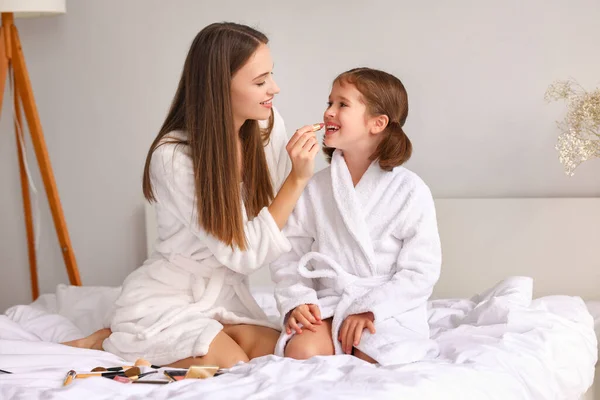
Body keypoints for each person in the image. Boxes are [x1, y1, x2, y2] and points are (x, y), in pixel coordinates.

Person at [67, 22, 322, 369]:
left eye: (271, 75)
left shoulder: (266, 124)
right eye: (260, 81)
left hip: (227, 295)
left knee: (284, 354)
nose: (274, 89)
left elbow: (280, 224)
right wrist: (297, 179)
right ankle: (119, 338)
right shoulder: (173, 157)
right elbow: (243, 253)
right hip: (167, 299)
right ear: (220, 87)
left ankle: (156, 335)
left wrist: (296, 297)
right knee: (233, 366)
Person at [270, 67, 442, 366]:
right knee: (301, 353)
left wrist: (369, 309)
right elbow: (288, 252)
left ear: (378, 123)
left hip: (385, 309)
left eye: (342, 104)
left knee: (376, 353)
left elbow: (420, 272)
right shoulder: (315, 186)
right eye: (329, 103)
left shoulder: (410, 190)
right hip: (330, 304)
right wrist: (298, 300)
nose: (329, 113)